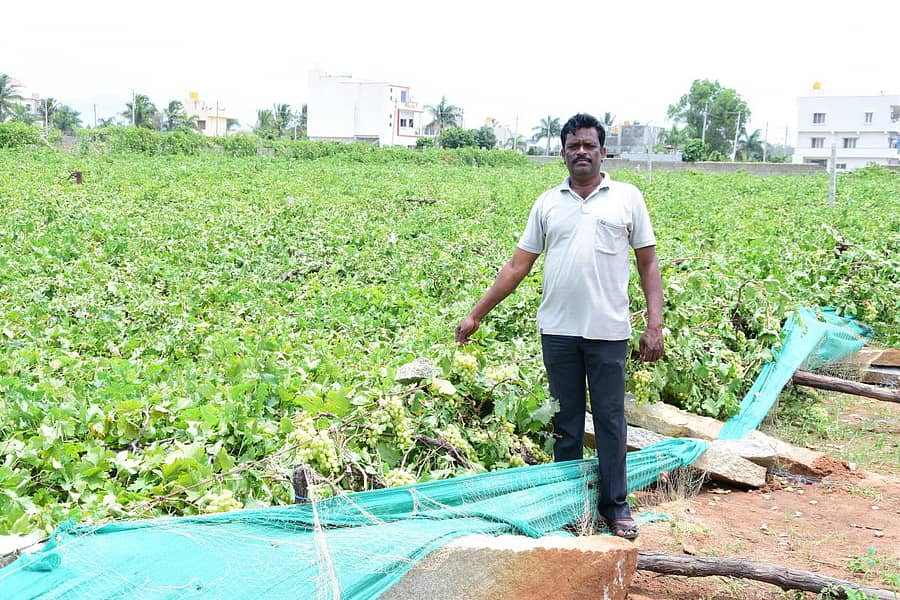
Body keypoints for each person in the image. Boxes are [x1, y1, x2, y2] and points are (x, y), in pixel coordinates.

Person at [455, 112, 663, 540]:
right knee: (566, 422)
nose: (581, 152)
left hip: (608, 331)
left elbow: (648, 263)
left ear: (603, 152)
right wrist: (476, 313)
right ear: (562, 153)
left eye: (589, 145)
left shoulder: (627, 198)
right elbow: (518, 266)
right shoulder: (548, 203)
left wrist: (654, 324)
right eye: (573, 146)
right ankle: (568, 507)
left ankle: (615, 507)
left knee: (609, 421)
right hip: (559, 332)